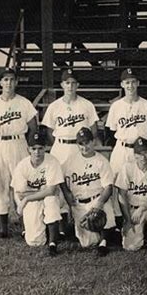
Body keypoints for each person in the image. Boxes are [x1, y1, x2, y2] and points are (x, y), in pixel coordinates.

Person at [0, 68, 38, 237]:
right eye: (5, 80)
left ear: (16, 82)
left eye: (12, 80)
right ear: (0, 83)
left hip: (19, 142)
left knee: (21, 184)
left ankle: (25, 224)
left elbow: (33, 127)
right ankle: (3, 227)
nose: (9, 83)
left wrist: (27, 145)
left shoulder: (24, 103)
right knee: (0, 184)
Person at [41, 68, 99, 238]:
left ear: (78, 85)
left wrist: (83, 145)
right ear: (62, 85)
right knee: (59, 184)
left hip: (79, 147)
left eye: (74, 83)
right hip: (60, 146)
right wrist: (59, 144)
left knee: (78, 182)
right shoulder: (54, 106)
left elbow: (94, 130)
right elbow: (49, 131)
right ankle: (61, 223)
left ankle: (80, 222)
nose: (70, 86)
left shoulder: (86, 104)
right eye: (67, 83)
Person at [105, 67, 147, 233]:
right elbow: (110, 131)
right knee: (118, 184)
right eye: (127, 82)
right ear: (122, 84)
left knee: (144, 183)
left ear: (138, 83)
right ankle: (119, 219)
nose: (130, 85)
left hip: (141, 150)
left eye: (133, 82)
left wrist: (143, 149)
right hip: (122, 148)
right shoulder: (116, 106)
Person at [60, 127, 116, 256]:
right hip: (79, 203)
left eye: (87, 142)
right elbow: (59, 177)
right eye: (81, 143)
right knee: (87, 243)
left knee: (106, 209)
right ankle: (101, 234)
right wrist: (67, 193)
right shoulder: (70, 160)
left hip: (96, 199)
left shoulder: (101, 161)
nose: (84, 146)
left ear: (93, 142)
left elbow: (108, 187)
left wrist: (99, 203)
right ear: (77, 144)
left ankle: (104, 242)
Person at [10, 129, 63, 256]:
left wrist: (29, 197)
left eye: (40, 148)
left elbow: (52, 190)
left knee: (51, 202)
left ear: (45, 148)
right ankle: (32, 229)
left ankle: (53, 243)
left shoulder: (52, 161)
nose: (37, 152)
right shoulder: (22, 165)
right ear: (28, 149)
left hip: (43, 197)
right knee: (35, 241)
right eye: (34, 148)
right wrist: (37, 194)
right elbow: (21, 193)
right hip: (30, 198)